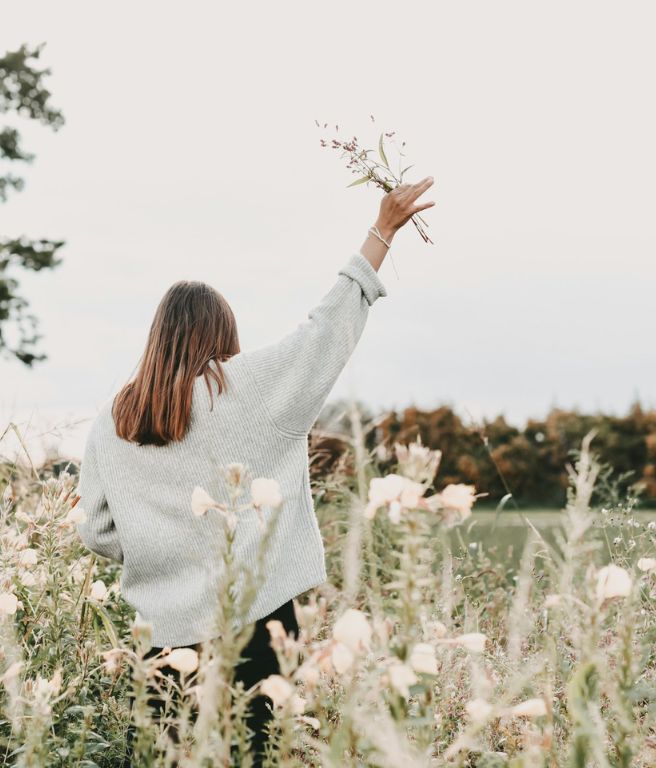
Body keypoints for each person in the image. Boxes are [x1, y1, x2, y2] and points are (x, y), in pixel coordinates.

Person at [74, 178, 435, 764]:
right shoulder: (255, 388)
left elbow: (95, 529)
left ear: (156, 339)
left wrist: (160, 547)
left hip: (161, 643)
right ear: (224, 335)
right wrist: (382, 231)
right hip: (259, 632)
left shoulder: (112, 420)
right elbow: (328, 328)